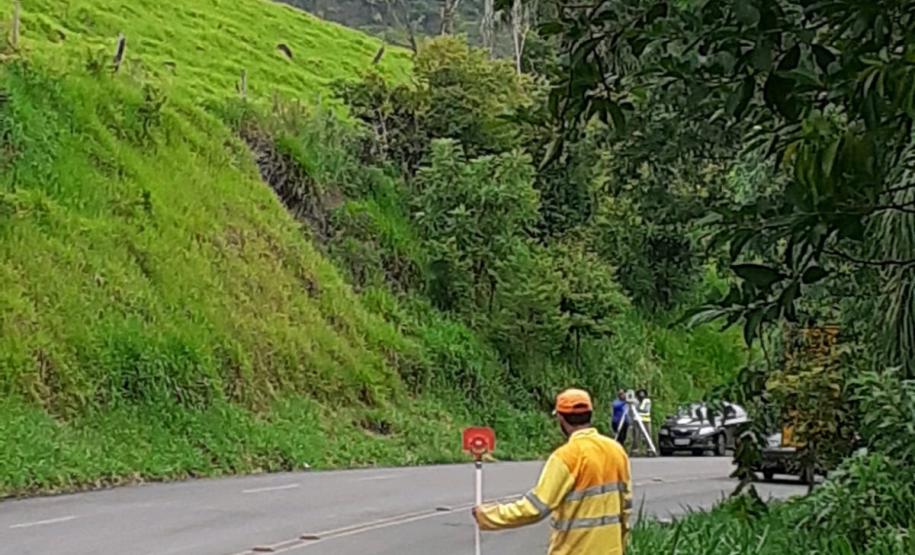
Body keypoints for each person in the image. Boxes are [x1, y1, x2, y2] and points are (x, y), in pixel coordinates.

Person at [473, 388, 633, 555]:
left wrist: (488, 516)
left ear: (560, 418)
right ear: (590, 414)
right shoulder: (616, 451)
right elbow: (626, 507)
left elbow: (535, 508)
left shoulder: (567, 456)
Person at [633, 388, 652, 456]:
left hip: (646, 420)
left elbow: (646, 410)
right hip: (637, 420)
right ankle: (635, 451)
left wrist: (637, 408)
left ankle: (649, 450)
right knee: (636, 436)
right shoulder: (635, 401)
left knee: (648, 435)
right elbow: (633, 409)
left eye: (643, 393)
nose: (641, 394)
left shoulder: (647, 401)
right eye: (640, 393)